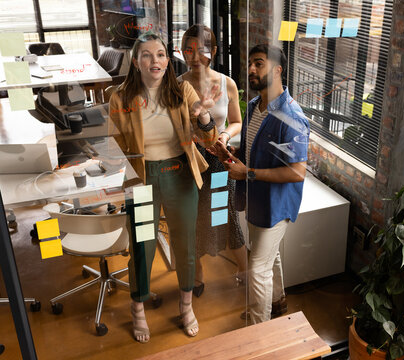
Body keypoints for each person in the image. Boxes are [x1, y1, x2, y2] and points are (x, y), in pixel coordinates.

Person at [108, 32, 219, 342]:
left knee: (185, 244)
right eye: (146, 55)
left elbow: (209, 139)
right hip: (141, 178)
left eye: (160, 54)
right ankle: (138, 309)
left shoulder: (183, 90)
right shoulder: (120, 97)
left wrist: (205, 117)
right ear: (135, 61)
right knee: (143, 247)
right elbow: (113, 146)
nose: (154, 60)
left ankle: (185, 307)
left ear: (167, 60)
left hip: (179, 174)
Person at [212, 44, 310, 323]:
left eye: (259, 64)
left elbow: (297, 172)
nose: (251, 70)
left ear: (278, 70)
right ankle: (276, 303)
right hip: (255, 200)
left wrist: (249, 173)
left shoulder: (291, 117)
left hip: (276, 206)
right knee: (267, 257)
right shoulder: (255, 106)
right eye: (250, 64)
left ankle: (260, 328)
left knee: (257, 269)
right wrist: (230, 155)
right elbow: (254, 153)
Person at [179, 24, 247, 296]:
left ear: (214, 51)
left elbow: (237, 122)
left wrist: (225, 136)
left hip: (219, 163)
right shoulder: (177, 85)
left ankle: (245, 271)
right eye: (189, 50)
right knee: (191, 219)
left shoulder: (226, 82)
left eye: (202, 50)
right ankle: (197, 277)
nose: (194, 57)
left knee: (226, 216)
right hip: (189, 164)